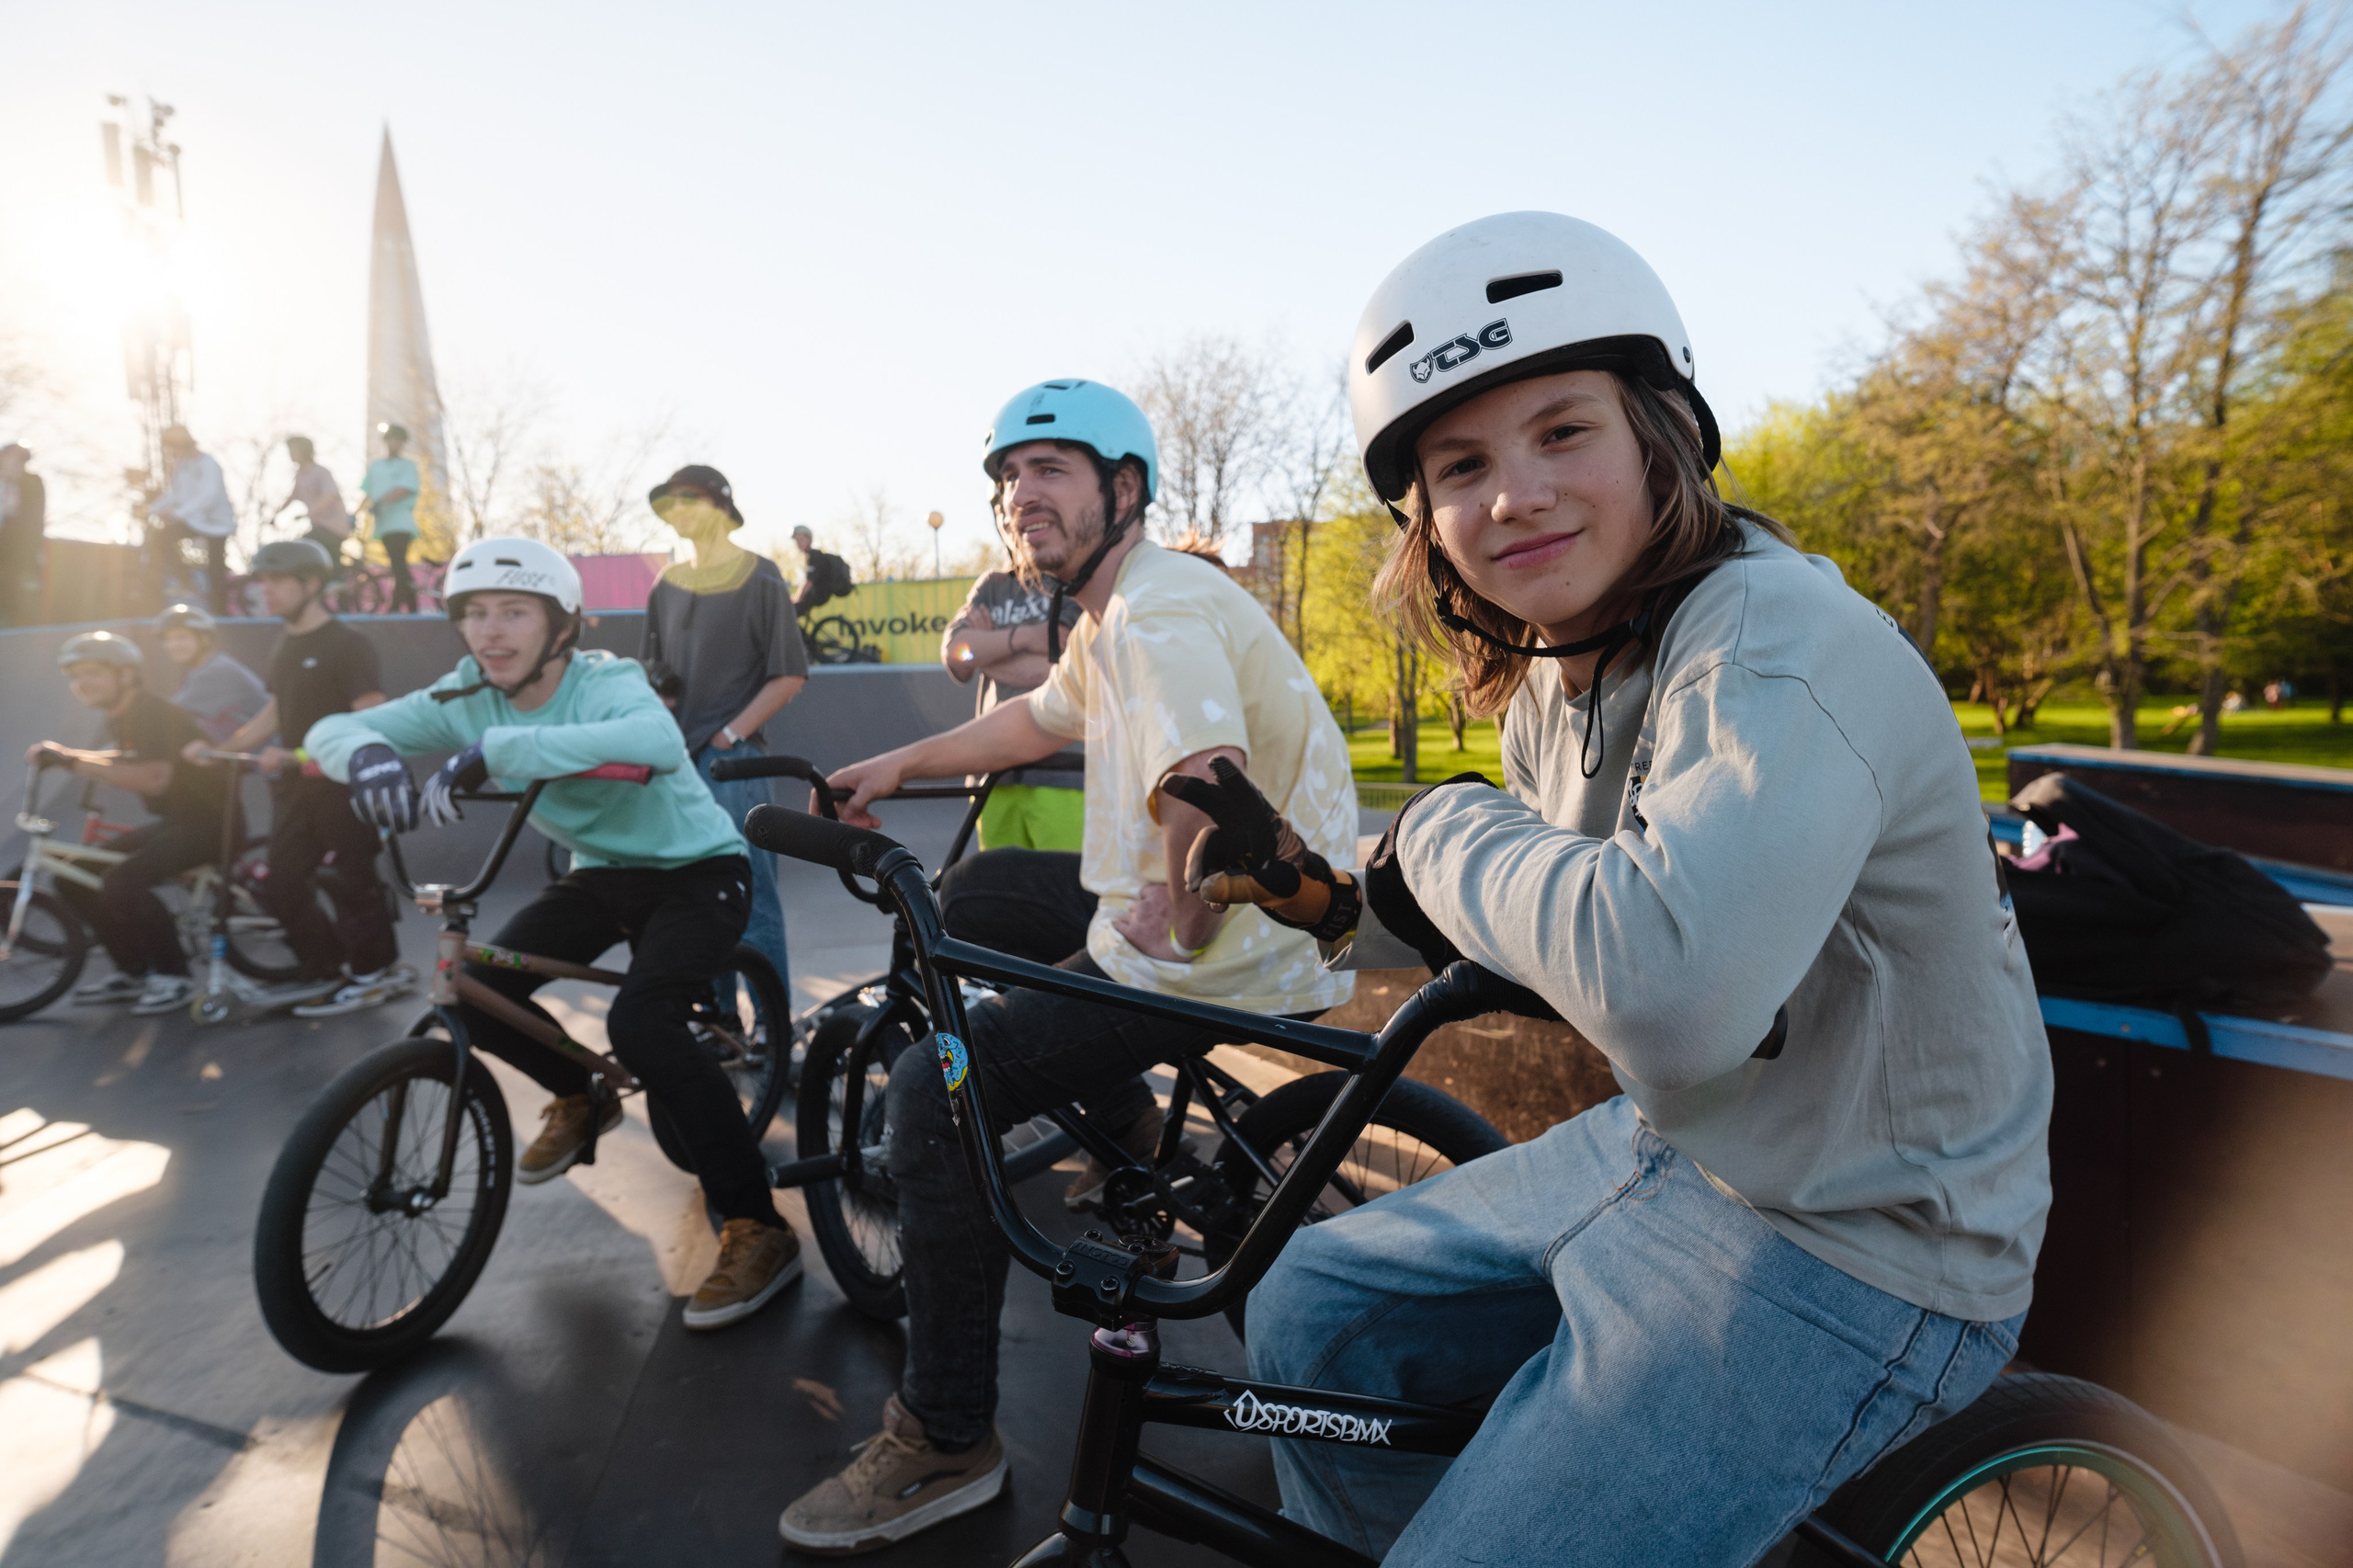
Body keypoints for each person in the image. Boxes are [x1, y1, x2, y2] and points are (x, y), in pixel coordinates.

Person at [1177, 212, 2052, 1566]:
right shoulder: (1557, 683)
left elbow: (1669, 989)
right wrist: (1333, 897)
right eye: (1460, 465)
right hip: (1683, 1148)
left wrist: (1440, 827)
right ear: (1425, 522)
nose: (1512, 493)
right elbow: (1543, 926)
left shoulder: (1778, 638)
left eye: (1561, 431)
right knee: (1314, 1312)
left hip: (1866, 1237)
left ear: (1660, 436)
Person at [778, 381, 1357, 1555]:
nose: (1017, 496)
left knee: (932, 1104)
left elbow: (1204, 770)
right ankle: (1127, 1129)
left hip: (1212, 958)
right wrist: (891, 764)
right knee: (986, 892)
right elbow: (1035, 720)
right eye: (1005, 478)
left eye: (1050, 470)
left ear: (1125, 488)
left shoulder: (1157, 608)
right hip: (1229, 935)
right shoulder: (1110, 616)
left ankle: (945, 1435)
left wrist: (1182, 903)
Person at [307, 536, 803, 1330]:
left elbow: (652, 743)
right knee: (475, 993)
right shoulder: (466, 690)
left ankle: (760, 1230)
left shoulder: (609, 680)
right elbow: (329, 728)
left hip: (698, 870)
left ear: (561, 625)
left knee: (642, 1023)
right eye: (473, 613)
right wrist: (364, 754)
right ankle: (579, 1094)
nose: (489, 631)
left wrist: (494, 751)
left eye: (513, 611)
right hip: (604, 872)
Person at [197, 539, 408, 1015]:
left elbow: (371, 718)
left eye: (276, 582)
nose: (264, 592)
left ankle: (375, 974)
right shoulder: (285, 645)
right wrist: (221, 750)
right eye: (262, 582)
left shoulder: (349, 644)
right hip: (293, 793)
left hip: (340, 790)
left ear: (311, 584)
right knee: (282, 883)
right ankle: (328, 967)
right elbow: (277, 710)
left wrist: (296, 754)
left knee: (353, 882)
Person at [642, 463, 806, 1003]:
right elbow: (652, 674)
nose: (677, 510)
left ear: (719, 505)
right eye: (670, 502)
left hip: (734, 771)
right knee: (697, 905)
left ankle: (773, 1036)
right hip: (678, 772)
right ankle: (721, 1025)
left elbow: (789, 675)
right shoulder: (666, 584)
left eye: (688, 498)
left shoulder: (760, 575)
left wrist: (728, 735)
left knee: (751, 903)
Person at [33, 631, 233, 1015]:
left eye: (92, 672)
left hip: (211, 823)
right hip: (178, 820)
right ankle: (135, 971)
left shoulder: (150, 712)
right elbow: (121, 759)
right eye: (74, 677)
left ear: (125, 675)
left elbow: (153, 777)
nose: (81, 684)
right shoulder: (123, 715)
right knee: (72, 878)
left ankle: (174, 977)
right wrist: (64, 754)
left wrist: (71, 762)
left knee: (122, 882)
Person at [938, 520, 1085, 853]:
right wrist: (1027, 637)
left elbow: (1054, 669)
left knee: (1066, 897)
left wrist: (986, 651)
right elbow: (957, 654)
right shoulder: (992, 585)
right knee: (1003, 896)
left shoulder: (1077, 583)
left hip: (1065, 775)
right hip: (994, 777)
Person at [143, 425, 235, 614]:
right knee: (162, 537)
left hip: (216, 524)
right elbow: (174, 494)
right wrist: (150, 509)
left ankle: (221, 613)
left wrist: (178, 513)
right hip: (193, 520)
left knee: (215, 570)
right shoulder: (182, 465)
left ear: (184, 444)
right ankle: (186, 581)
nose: (172, 453)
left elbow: (208, 495)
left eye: (174, 447)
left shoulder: (209, 464)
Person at [157, 603, 268, 744]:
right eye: (168, 639)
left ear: (205, 639)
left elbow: (168, 715)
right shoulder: (204, 667)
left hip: (260, 760)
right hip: (240, 755)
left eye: (182, 637)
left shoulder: (215, 671)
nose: (173, 645)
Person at [358, 422, 422, 614]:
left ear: (402, 443)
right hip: (383, 524)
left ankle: (406, 605)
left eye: (398, 440)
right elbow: (367, 493)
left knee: (398, 562)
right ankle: (404, 604)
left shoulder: (408, 466)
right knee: (395, 564)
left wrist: (380, 502)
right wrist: (355, 515)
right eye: (392, 439)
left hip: (400, 522)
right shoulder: (376, 466)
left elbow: (404, 489)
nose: (395, 443)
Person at [272, 436, 355, 563]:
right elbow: (292, 497)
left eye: (293, 451)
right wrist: (275, 515)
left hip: (333, 526)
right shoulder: (300, 475)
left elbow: (330, 495)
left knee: (306, 548)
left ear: (304, 451)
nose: (290, 454)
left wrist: (310, 512)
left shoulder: (321, 472)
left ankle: (337, 581)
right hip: (318, 526)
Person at [0, 443, 45, 626]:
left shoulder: (32, 484)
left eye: (20, 461)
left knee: (11, 598)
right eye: (10, 459)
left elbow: (34, 522)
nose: (15, 465)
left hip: (15, 555)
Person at [790, 525, 854, 617]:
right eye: (796, 540)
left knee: (791, 612)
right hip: (817, 594)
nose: (798, 543)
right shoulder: (810, 555)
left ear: (809, 539)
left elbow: (809, 582)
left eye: (801, 539)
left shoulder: (814, 556)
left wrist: (798, 598)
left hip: (819, 595)